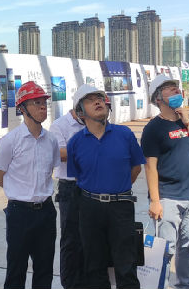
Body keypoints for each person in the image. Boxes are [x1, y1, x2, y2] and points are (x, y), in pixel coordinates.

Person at [67, 86, 146, 289]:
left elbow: (136, 168)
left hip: (121, 206)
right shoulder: (75, 142)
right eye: (90, 100)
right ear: (80, 113)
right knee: (94, 265)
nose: (98, 102)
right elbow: (78, 176)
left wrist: (116, 189)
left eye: (100, 98)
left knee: (126, 264)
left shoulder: (124, 134)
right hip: (89, 207)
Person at [143, 75, 189, 289]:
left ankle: (185, 285)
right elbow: (150, 167)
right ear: (158, 98)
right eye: (169, 88)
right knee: (165, 251)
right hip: (168, 198)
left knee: (188, 248)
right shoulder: (153, 128)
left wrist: (188, 122)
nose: (175, 90)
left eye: (176, 87)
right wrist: (155, 201)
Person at [0, 81, 59, 289]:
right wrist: (19, 191)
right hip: (20, 213)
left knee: (45, 269)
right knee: (16, 269)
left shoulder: (51, 140)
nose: (42, 106)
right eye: (36, 103)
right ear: (22, 109)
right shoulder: (10, 141)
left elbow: (50, 171)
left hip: (46, 212)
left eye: (44, 102)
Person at [50, 86, 89, 289]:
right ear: (79, 107)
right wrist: (91, 148)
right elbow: (60, 154)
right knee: (71, 238)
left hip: (93, 186)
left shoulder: (95, 123)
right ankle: (71, 283)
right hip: (70, 189)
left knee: (91, 237)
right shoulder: (59, 125)